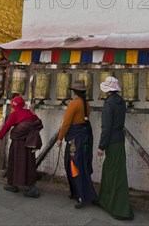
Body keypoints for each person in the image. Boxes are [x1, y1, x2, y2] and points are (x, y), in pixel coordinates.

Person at [97, 76, 134, 220]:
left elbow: (106, 127)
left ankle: (119, 208)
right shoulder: (121, 102)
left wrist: (101, 146)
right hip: (119, 140)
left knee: (113, 174)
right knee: (113, 171)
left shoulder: (109, 104)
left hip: (111, 142)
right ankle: (105, 201)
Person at [56, 80, 97, 209]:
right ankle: (77, 192)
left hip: (75, 140)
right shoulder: (86, 104)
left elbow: (67, 123)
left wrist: (60, 138)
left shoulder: (74, 104)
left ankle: (81, 196)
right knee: (81, 165)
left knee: (74, 165)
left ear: (75, 92)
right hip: (84, 138)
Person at [0, 96, 43, 198]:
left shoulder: (14, 114)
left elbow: (6, 127)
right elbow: (38, 124)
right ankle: (31, 187)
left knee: (14, 162)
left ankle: (13, 184)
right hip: (29, 143)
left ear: (13, 106)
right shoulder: (29, 113)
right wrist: (33, 112)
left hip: (18, 144)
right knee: (28, 163)